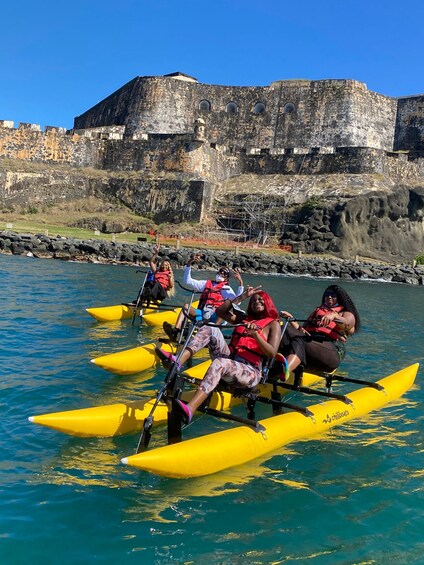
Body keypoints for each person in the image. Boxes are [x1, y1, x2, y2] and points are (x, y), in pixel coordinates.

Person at [157, 286, 281, 424]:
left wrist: (256, 335)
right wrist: (241, 298)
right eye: (254, 300)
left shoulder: (273, 324)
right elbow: (220, 311)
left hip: (250, 371)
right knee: (210, 327)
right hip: (231, 359)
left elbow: (272, 353)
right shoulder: (244, 319)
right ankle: (178, 361)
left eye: (261, 299)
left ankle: (190, 409)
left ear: (267, 302)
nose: (257, 302)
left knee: (220, 363)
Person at [278, 284, 361, 375]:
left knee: (300, 340)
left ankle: (285, 370)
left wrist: (334, 315)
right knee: (282, 330)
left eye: (333, 295)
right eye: (327, 295)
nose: (329, 297)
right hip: (310, 344)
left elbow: (347, 324)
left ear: (340, 298)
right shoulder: (317, 312)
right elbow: (302, 331)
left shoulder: (345, 313)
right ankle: (271, 363)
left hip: (331, 350)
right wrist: (291, 318)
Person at [162, 252, 244, 341]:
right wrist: (190, 262)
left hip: (215, 317)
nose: (221, 274)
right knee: (186, 307)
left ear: (227, 279)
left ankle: (212, 337)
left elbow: (237, 302)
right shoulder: (206, 284)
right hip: (202, 314)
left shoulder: (226, 289)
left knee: (223, 312)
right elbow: (187, 281)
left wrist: (240, 284)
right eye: (220, 272)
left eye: (224, 274)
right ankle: (176, 331)